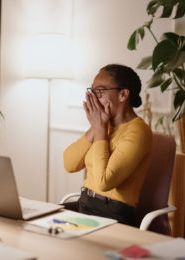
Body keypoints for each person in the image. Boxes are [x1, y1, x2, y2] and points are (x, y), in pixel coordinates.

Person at [63, 64, 153, 227]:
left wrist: (99, 130)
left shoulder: (139, 131)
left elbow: (105, 182)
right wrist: (96, 128)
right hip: (84, 204)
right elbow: (69, 164)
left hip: (112, 214)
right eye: (92, 91)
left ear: (123, 95)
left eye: (100, 91)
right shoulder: (103, 126)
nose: (94, 98)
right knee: (39, 222)